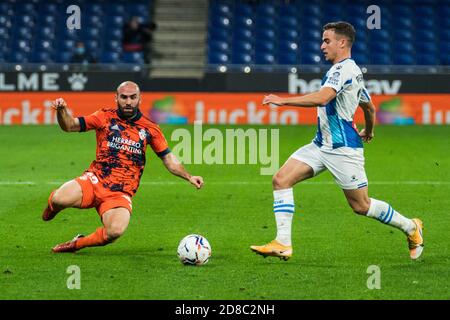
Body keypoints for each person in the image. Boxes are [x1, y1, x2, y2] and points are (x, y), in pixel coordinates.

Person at [250, 22, 424, 261]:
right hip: (321, 145)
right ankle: (283, 243)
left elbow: (323, 98)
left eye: (327, 41)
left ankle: (411, 227)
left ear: (342, 42)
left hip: (342, 149)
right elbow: (369, 107)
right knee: (281, 180)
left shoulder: (343, 70)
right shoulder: (350, 71)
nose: (322, 46)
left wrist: (283, 101)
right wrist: (370, 130)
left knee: (361, 206)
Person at [43, 81, 204, 253]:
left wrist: (188, 176)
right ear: (116, 98)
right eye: (124, 97)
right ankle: (51, 208)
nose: (128, 102)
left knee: (115, 232)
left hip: (120, 192)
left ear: (139, 99)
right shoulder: (104, 116)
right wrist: (61, 111)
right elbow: (69, 125)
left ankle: (76, 244)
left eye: (133, 97)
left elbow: (168, 159)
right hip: (95, 179)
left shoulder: (150, 129)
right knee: (59, 199)